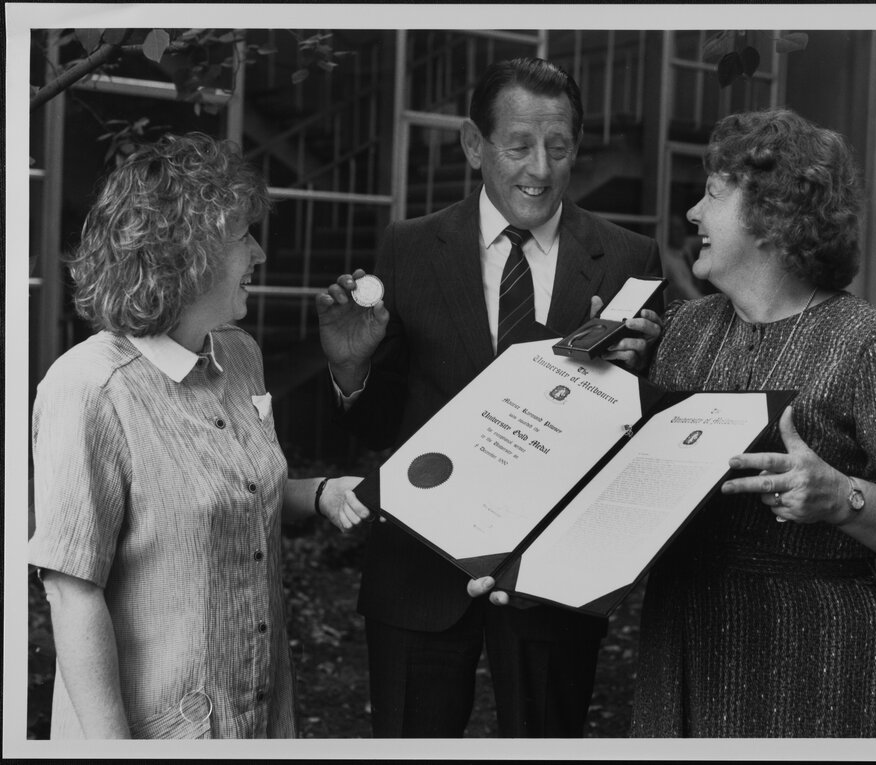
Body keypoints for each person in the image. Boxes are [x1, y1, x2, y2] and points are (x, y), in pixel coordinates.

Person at [316, 57, 662, 737]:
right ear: (474, 144)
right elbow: (387, 420)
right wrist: (349, 371)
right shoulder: (409, 246)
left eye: (559, 147)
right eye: (519, 145)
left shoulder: (628, 257)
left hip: (553, 574)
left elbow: (640, 436)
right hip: (419, 565)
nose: (541, 168)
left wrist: (636, 377)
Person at [629, 108, 876, 737]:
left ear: (771, 215)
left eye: (713, 193)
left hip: (815, 657)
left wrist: (843, 499)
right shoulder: (683, 332)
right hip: (683, 638)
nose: (693, 214)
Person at [28, 132, 369, 739]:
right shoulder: (90, 389)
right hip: (157, 733)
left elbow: (229, 491)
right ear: (184, 253)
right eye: (243, 236)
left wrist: (319, 493)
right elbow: (71, 595)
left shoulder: (239, 356)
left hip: (258, 714)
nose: (260, 254)